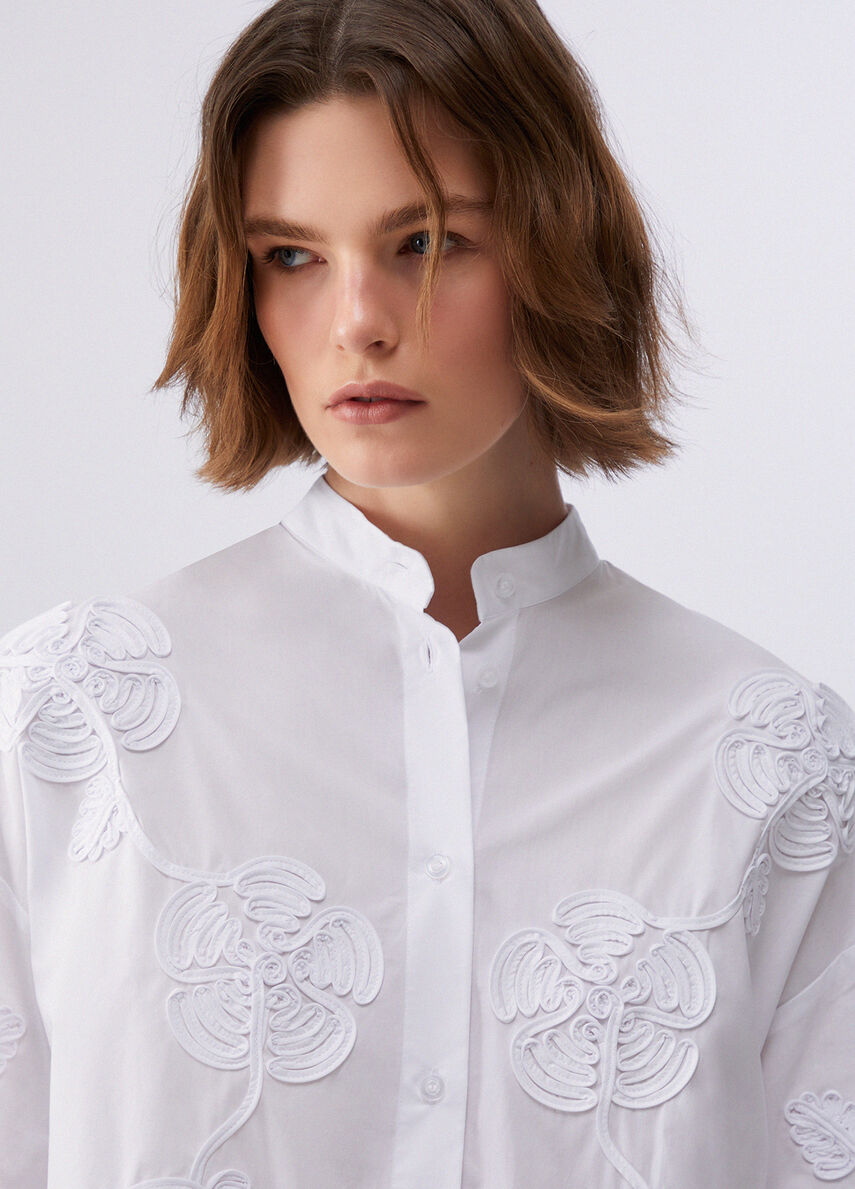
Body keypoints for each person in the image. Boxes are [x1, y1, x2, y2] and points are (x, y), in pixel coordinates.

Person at [1, 1, 852, 1186]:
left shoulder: (773, 764)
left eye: (427, 243)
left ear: (559, 244)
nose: (357, 322)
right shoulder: (71, 721)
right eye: (291, 255)